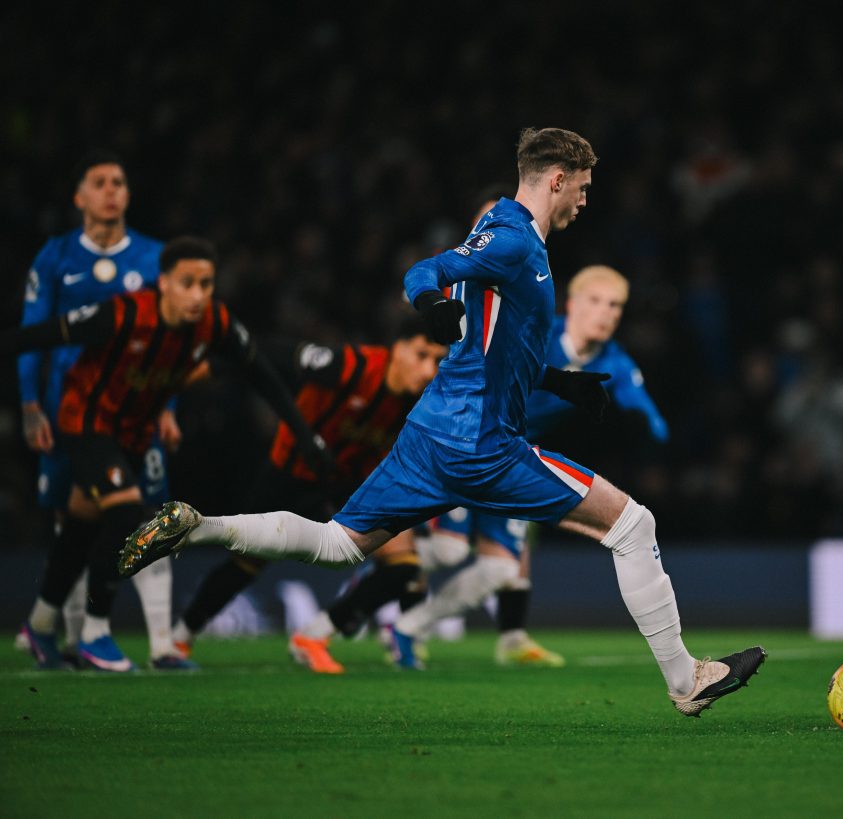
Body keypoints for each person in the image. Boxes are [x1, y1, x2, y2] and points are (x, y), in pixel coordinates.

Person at [121, 128, 765, 717]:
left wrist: (556, 382)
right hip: (483, 444)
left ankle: (199, 526)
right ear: (558, 179)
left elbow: (493, 350)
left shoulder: (520, 243)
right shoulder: (511, 236)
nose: (587, 202)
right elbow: (423, 270)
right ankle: (686, 680)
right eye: (585, 188)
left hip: (430, 437)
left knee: (339, 544)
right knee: (632, 524)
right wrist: (428, 301)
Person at [3, 236, 328, 671]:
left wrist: (305, 438)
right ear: (164, 284)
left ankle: (40, 626)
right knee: (124, 510)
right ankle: (95, 633)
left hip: (135, 434)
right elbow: (42, 334)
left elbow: (264, 377)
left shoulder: (215, 324)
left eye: (206, 284)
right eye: (187, 283)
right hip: (86, 421)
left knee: (81, 524)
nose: (198, 295)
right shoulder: (122, 314)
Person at [409, 263, 670, 667]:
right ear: (573, 304)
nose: (606, 312)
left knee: (500, 566)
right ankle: (372, 579)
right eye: (596, 301)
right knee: (446, 550)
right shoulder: (537, 327)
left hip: (511, 458)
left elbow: (653, 424)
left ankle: (416, 629)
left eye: (615, 305)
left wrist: (639, 424)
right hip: (465, 438)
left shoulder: (615, 363)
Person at [169, 316, 448, 673]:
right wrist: (215, 366)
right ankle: (180, 636)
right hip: (291, 473)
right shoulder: (350, 365)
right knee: (247, 562)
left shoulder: (420, 402)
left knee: (404, 566)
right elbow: (270, 354)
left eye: (437, 360)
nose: (428, 369)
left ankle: (314, 635)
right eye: (422, 355)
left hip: (348, 482)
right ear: (397, 349)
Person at [16, 151, 186, 670]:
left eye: (119, 181)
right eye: (100, 182)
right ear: (80, 197)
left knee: (144, 513)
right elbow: (32, 336)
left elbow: (172, 340)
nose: (111, 190)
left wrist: (168, 405)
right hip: (72, 412)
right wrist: (28, 403)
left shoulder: (155, 258)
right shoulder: (56, 257)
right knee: (77, 517)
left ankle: (157, 645)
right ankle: (68, 634)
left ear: (128, 194)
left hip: (137, 410)